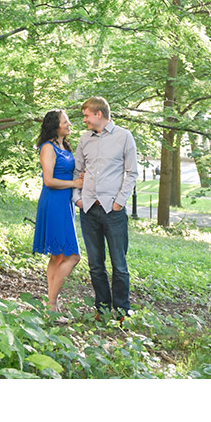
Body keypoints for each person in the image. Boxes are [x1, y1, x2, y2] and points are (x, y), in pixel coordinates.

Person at [73, 96, 137, 321]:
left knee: (119, 264)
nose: (84, 120)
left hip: (113, 211)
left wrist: (120, 201)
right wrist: (77, 198)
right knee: (95, 264)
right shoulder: (84, 139)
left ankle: (121, 311)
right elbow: (77, 170)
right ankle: (101, 309)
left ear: (99, 114)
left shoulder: (124, 137)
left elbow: (132, 173)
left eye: (87, 115)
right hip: (88, 210)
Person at [33, 109, 82, 314]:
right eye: (65, 122)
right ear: (55, 125)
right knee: (73, 256)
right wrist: (74, 183)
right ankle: (52, 302)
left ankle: (51, 303)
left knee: (57, 257)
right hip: (53, 203)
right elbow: (49, 181)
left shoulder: (64, 146)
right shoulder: (48, 148)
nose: (69, 124)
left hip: (65, 203)